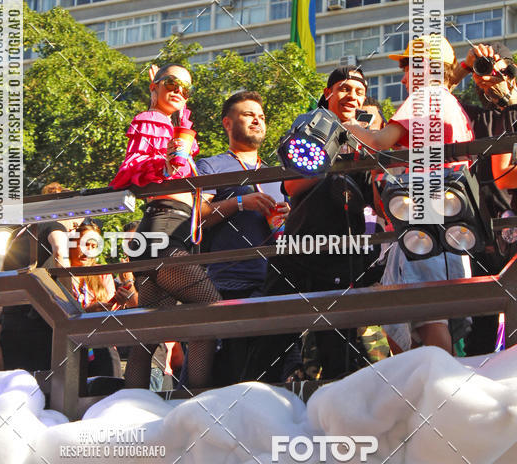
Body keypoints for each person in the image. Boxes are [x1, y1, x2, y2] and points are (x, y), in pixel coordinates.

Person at [242, 66, 378, 384]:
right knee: (277, 329)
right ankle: (248, 400)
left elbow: (374, 195)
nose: (352, 96)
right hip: (302, 239)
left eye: (359, 91)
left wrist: (367, 143)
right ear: (328, 92)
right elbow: (291, 187)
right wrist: (327, 164)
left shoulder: (367, 132)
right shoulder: (311, 124)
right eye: (344, 88)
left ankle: (335, 410)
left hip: (346, 246)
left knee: (338, 339)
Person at [344, 35, 474, 354]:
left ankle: (429, 393)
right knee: (431, 314)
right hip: (450, 219)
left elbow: (380, 141)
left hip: (425, 215)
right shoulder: (449, 103)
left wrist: (345, 125)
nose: (403, 79)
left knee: (426, 318)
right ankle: (432, 390)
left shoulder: (425, 97)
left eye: (407, 68)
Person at [110, 63, 222, 390]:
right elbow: (134, 166)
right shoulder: (153, 121)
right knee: (209, 313)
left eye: (185, 88)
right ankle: (196, 402)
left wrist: (175, 142)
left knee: (148, 333)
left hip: (160, 232)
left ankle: (133, 403)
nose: (178, 91)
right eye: (171, 83)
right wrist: (171, 159)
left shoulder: (170, 127)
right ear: (155, 86)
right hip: (163, 229)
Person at [196, 91, 289, 385]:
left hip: (276, 283)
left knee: (272, 376)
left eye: (261, 116)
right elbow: (196, 216)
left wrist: (288, 217)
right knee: (232, 377)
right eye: (249, 114)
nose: (257, 120)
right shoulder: (211, 166)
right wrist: (239, 203)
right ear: (227, 123)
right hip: (228, 283)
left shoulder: (280, 172)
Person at [451, 42, 517, 354]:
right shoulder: (474, 117)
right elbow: (434, 95)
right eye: (480, 76)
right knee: (483, 326)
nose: (485, 79)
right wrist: (465, 66)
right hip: (483, 232)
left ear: (512, 73)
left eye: (493, 71)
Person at [0, 216, 81, 371]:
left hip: (11, 321)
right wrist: (68, 301)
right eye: (74, 224)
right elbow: (60, 254)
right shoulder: (55, 226)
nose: (73, 230)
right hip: (37, 323)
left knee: (15, 384)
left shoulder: (20, 232)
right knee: (45, 386)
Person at [68, 219, 137, 376]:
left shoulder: (102, 273)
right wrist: (86, 311)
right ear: (72, 242)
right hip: (70, 348)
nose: (88, 251)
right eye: (84, 244)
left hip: (102, 347)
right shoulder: (62, 272)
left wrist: (119, 303)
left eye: (93, 246)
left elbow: (113, 314)